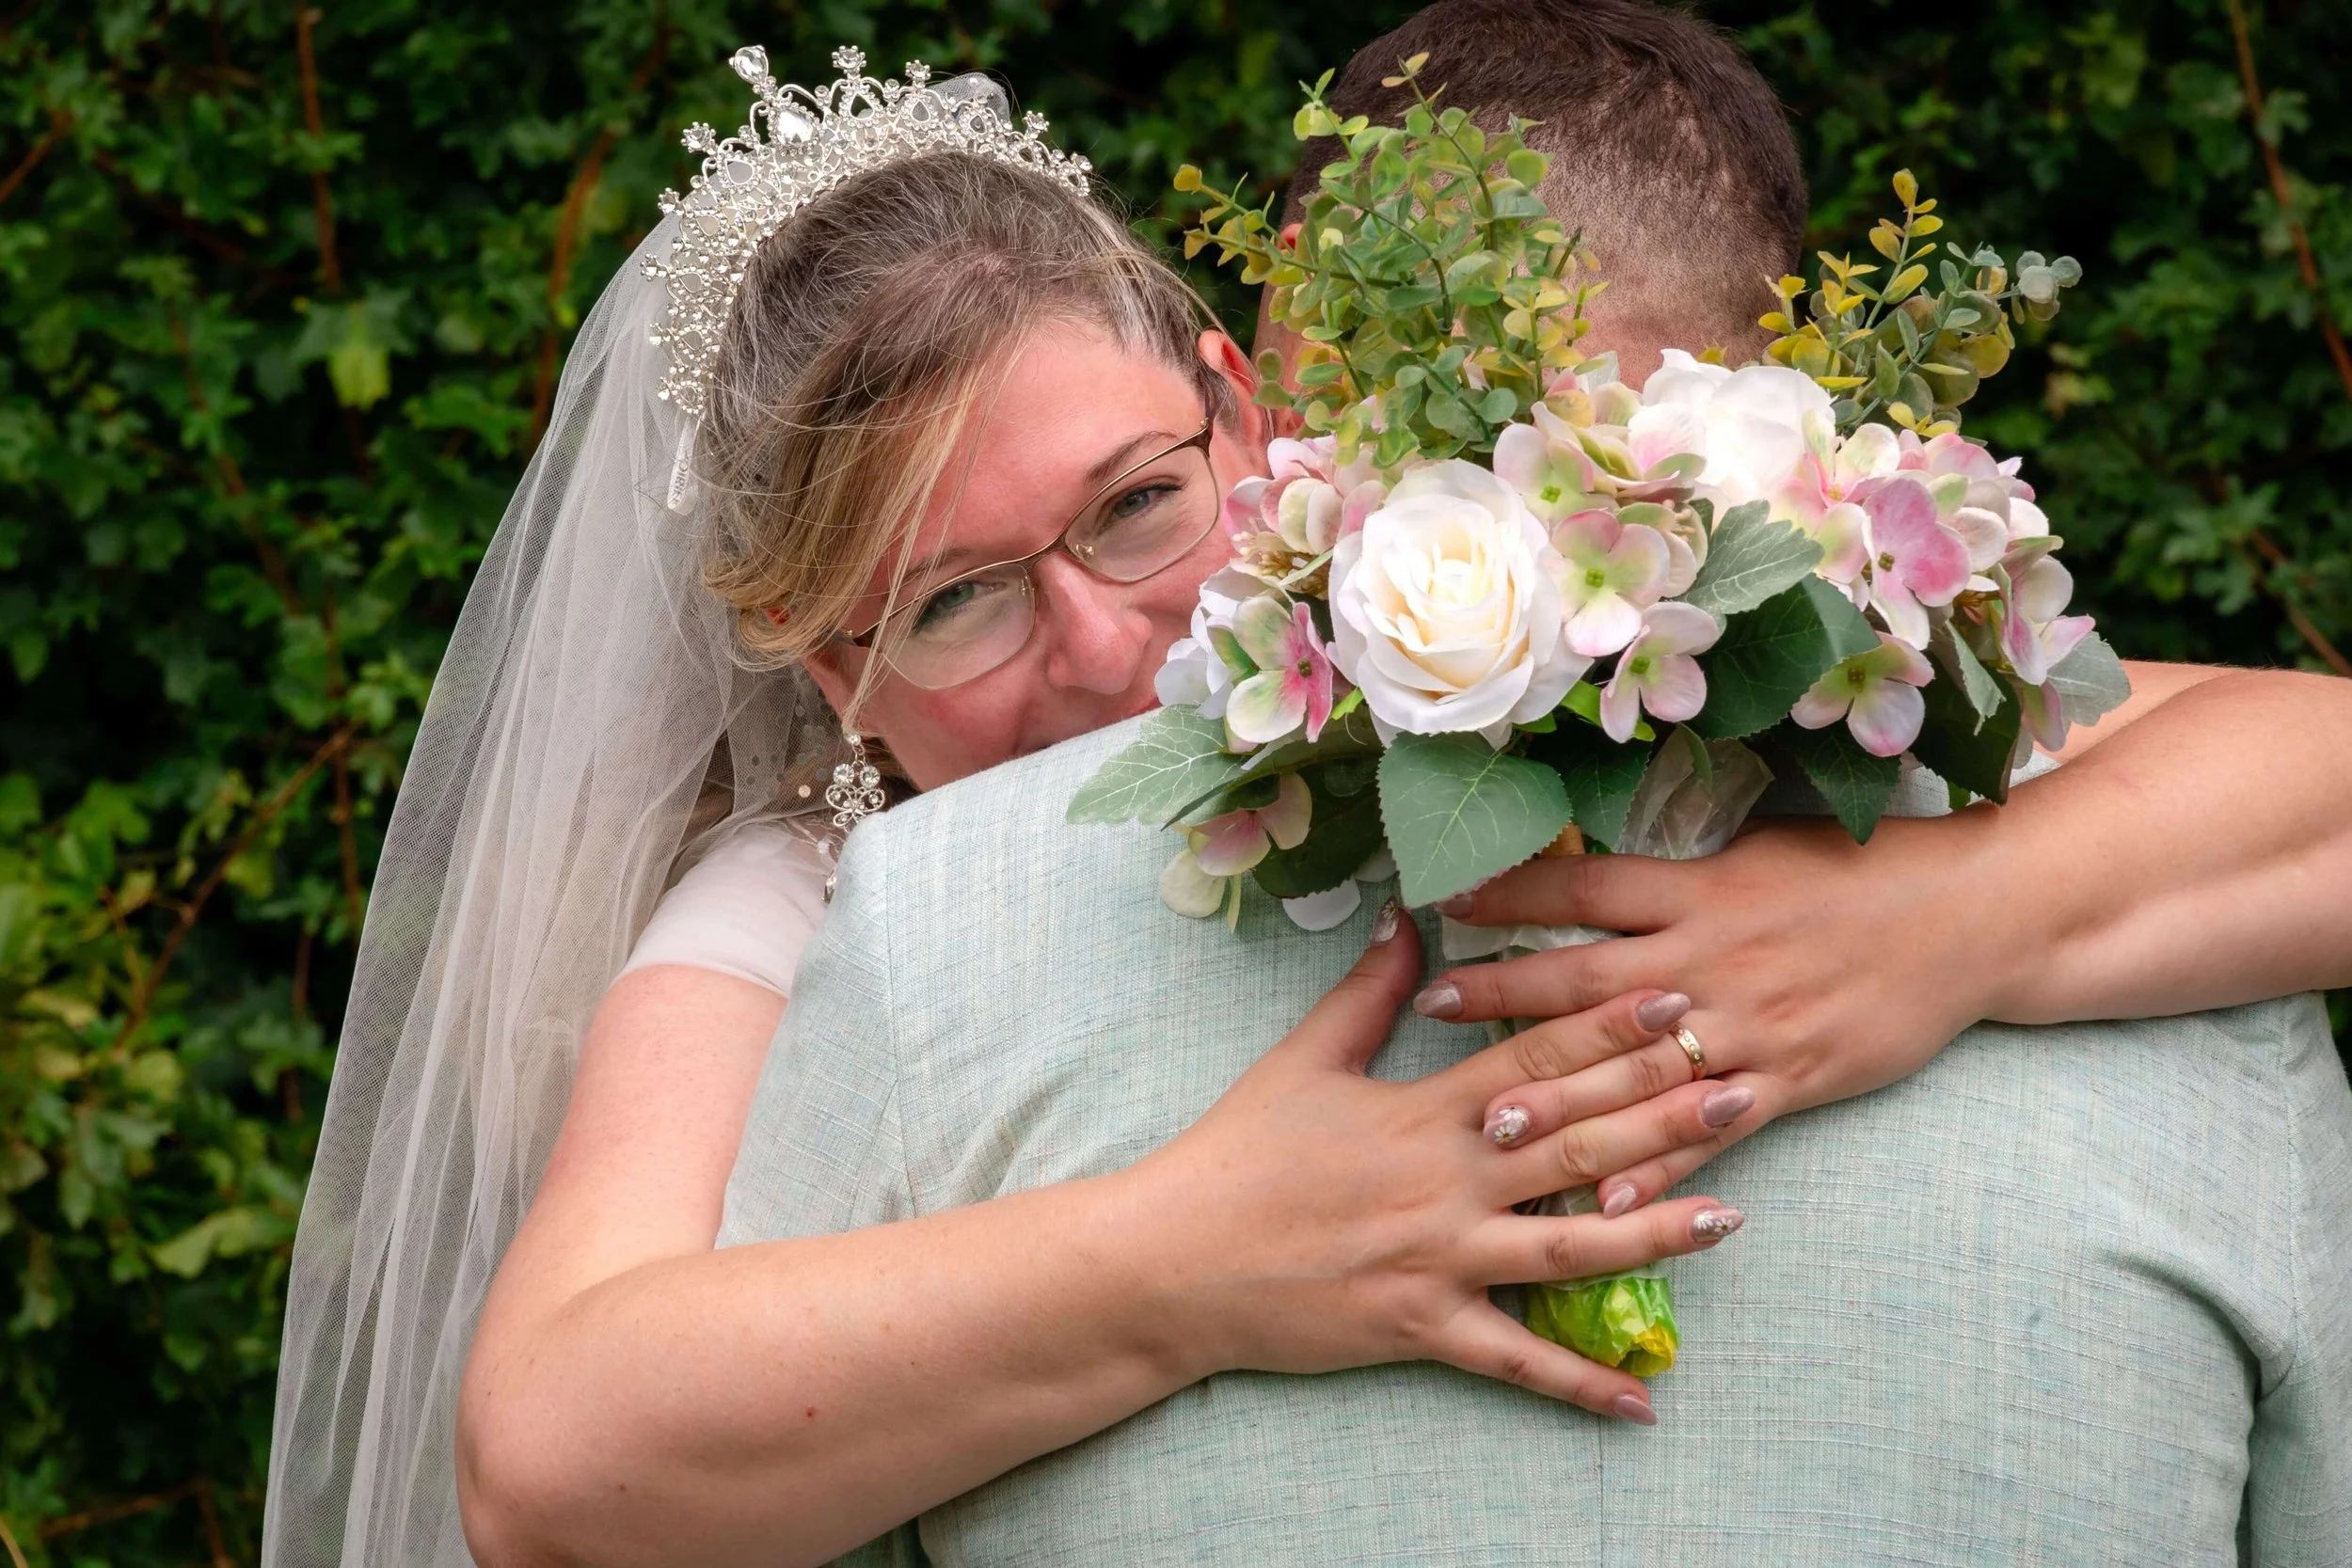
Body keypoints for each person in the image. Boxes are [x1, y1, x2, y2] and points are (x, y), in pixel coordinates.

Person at [265, 9, 2352, 1568]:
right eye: (955, 605)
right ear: (833, 674)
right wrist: (1187, 1250)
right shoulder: (834, 912)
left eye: (1141, 508)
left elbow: (2237, 748)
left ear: (1247, 429)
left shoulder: (1548, 677)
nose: (1097, 653)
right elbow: (552, 1442)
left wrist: (1934, 917)